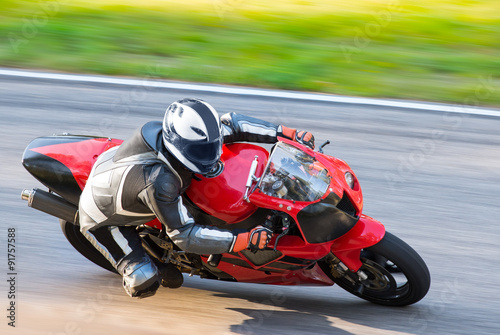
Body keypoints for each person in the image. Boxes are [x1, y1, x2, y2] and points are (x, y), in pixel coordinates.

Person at [78, 98, 315, 298]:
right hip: (101, 214)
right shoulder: (161, 182)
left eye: (212, 146)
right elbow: (184, 236)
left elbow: (233, 124)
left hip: (122, 172)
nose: (212, 155)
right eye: (202, 152)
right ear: (177, 145)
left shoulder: (193, 138)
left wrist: (286, 134)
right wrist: (243, 240)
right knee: (143, 281)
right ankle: (149, 265)